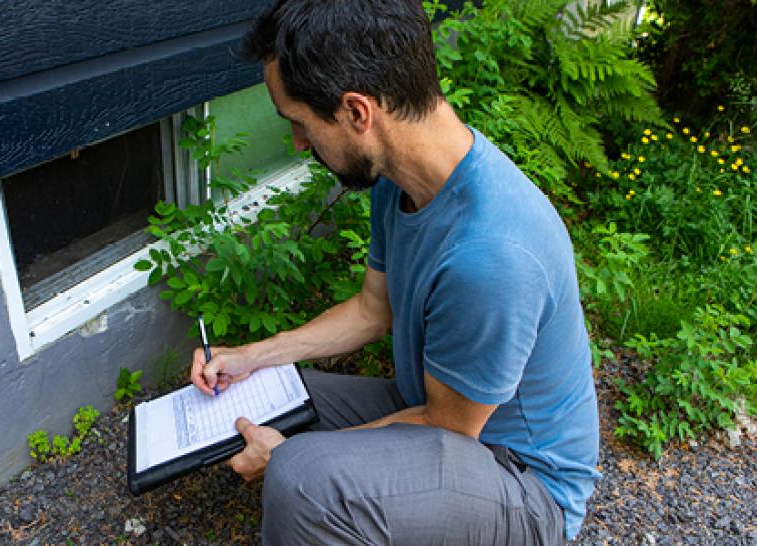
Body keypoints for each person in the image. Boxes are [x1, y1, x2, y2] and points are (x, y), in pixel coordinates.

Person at [189, 0, 601, 543]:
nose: (297, 142)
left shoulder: (491, 254)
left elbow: (452, 428)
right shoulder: (403, 180)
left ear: (358, 112)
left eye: (299, 122)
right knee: (278, 391)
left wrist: (291, 457)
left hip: (522, 486)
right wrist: (251, 356)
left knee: (300, 478)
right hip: (437, 414)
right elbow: (372, 308)